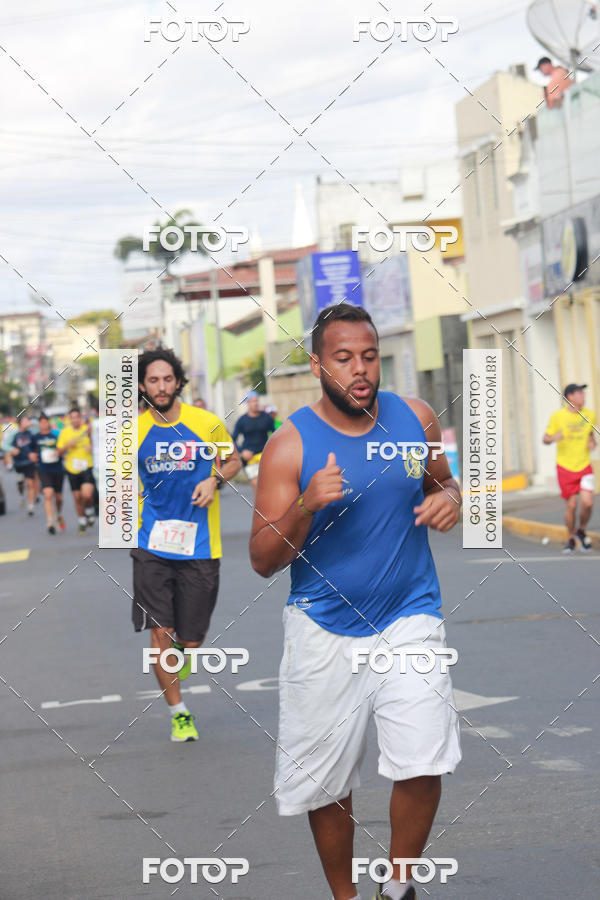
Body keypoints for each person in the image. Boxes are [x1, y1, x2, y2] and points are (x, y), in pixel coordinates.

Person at [249, 303, 462, 900]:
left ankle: (397, 887)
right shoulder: (291, 444)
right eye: (343, 358)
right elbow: (263, 558)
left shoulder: (415, 418)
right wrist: (307, 505)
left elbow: (440, 478)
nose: (359, 369)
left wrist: (450, 495)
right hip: (323, 628)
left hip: (410, 616)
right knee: (327, 778)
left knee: (424, 756)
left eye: (368, 356)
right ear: (319, 363)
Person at [133, 347, 241, 742]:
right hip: (151, 543)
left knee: (189, 639)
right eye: (152, 380)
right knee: (160, 630)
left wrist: (214, 479)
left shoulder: (206, 423)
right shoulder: (132, 432)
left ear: (178, 381)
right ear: (143, 386)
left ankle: (185, 650)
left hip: (198, 544)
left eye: (167, 379)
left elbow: (233, 461)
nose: (161, 387)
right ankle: (179, 713)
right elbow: (118, 482)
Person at [543, 383, 596, 552]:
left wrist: (591, 442)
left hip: (584, 466)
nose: (583, 396)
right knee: (572, 505)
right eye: (580, 393)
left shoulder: (590, 415)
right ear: (570, 397)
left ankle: (581, 529)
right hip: (565, 467)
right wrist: (553, 438)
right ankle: (570, 537)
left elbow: (589, 434)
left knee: (587, 503)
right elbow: (545, 438)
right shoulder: (558, 417)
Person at [56, 407, 96, 534]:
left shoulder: (88, 430)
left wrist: (92, 447)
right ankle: (82, 520)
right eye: (72, 418)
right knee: (77, 497)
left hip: (86, 466)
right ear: (69, 419)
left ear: (81, 418)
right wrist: (68, 445)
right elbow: (58, 451)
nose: (75, 420)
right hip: (71, 468)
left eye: (77, 417)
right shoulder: (65, 432)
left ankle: (89, 510)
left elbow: (101, 444)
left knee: (87, 495)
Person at [232, 391, 275, 492]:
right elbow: (233, 438)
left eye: (256, 401)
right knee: (255, 483)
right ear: (247, 403)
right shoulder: (242, 420)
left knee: (268, 482)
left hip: (265, 454)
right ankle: (260, 506)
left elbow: (275, 433)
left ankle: (269, 505)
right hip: (250, 456)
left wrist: (273, 449)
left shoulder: (266, 417)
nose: (255, 403)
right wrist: (242, 452)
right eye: (252, 401)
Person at [30, 413, 66, 534]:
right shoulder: (35, 437)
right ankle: (50, 521)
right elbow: (30, 451)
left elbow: (63, 448)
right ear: (39, 424)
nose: (44, 424)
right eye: (42, 423)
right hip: (43, 469)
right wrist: (31, 455)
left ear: (49, 423)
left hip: (58, 469)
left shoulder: (56, 434)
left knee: (59, 498)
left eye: (46, 422)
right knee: (48, 494)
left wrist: (60, 452)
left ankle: (59, 515)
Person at [9, 415, 37, 515]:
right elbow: (6, 446)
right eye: (25, 421)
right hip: (18, 463)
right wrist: (12, 450)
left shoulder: (31, 434)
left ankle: (31, 506)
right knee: (20, 484)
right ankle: (21, 495)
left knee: (30, 484)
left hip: (29, 462)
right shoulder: (14, 435)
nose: (27, 423)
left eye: (28, 421)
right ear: (20, 423)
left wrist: (34, 454)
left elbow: (36, 445)